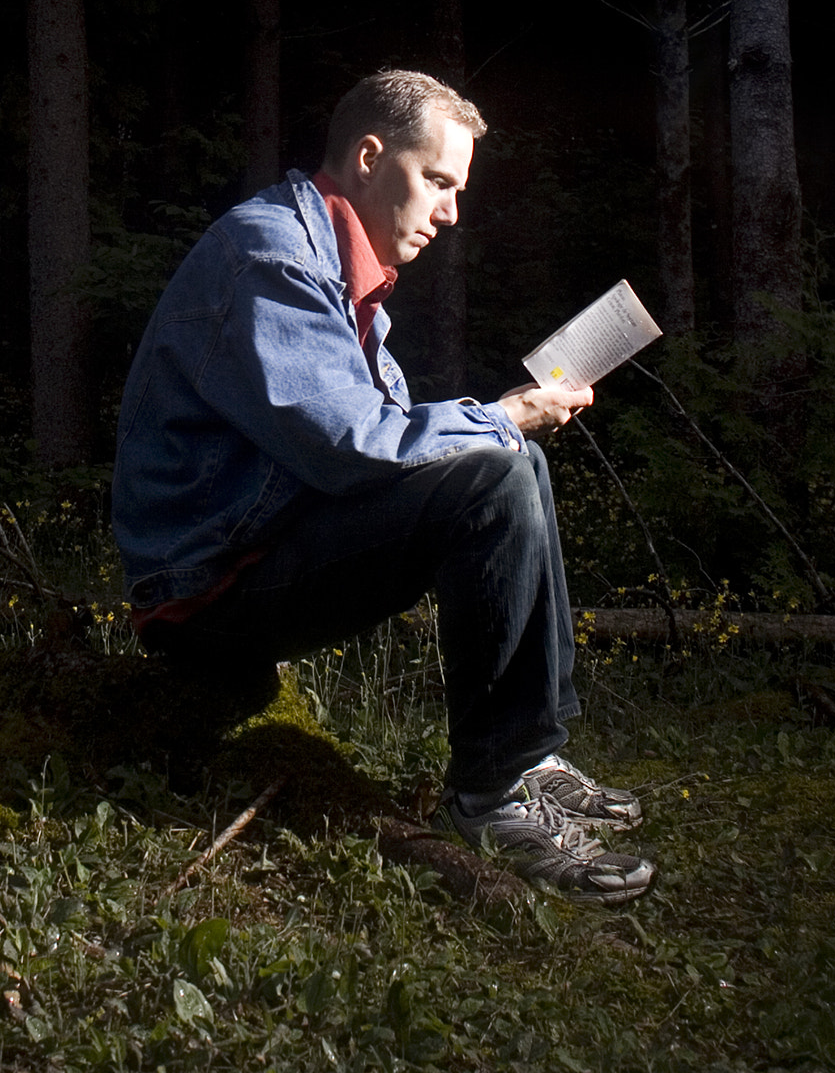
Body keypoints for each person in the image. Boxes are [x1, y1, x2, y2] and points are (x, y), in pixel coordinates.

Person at [110, 69, 654, 903]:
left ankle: (530, 757)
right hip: (206, 596)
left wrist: (506, 423)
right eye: (438, 181)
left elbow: (377, 432)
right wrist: (502, 415)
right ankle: (490, 796)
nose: (451, 212)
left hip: (263, 548)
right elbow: (355, 448)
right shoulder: (272, 259)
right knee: (498, 471)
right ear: (370, 155)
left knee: (516, 463)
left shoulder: (334, 268)